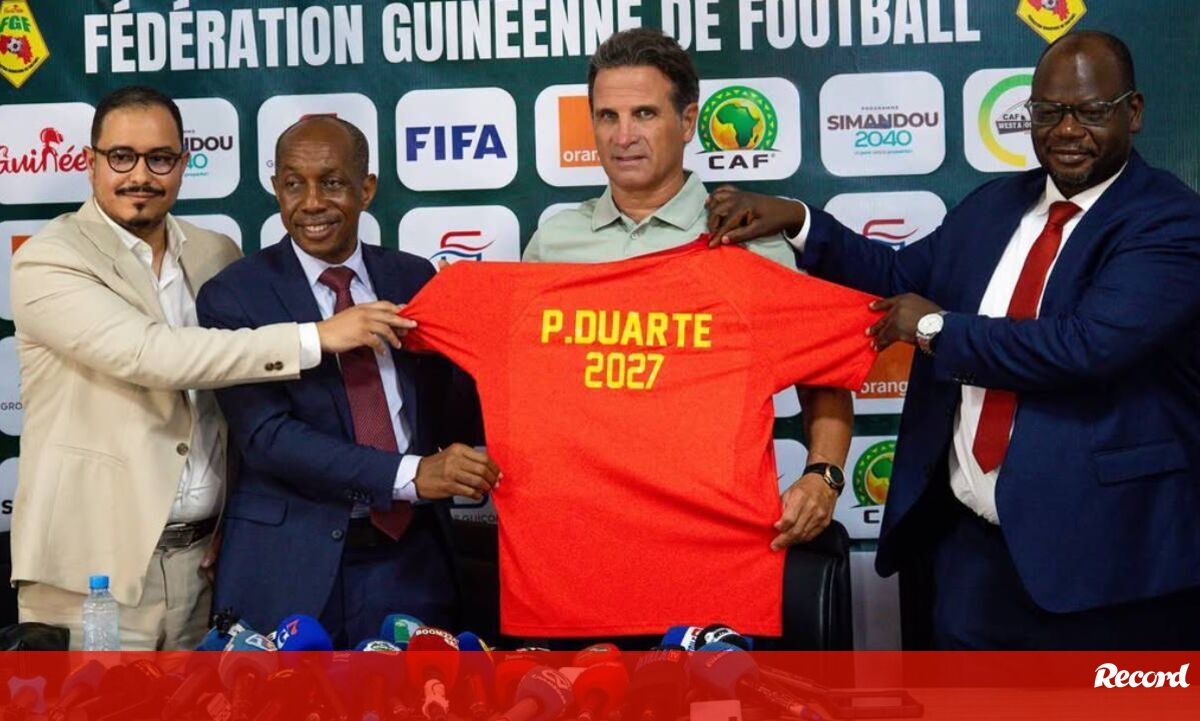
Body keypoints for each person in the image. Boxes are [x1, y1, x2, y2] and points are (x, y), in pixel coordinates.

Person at [706, 31, 1200, 649]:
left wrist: (935, 329)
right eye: (1048, 112)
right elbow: (897, 275)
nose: (1067, 130)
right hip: (970, 553)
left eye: (1090, 111)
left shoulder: (1170, 220)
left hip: (1107, 565)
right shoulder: (996, 205)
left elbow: (1085, 346)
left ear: (1133, 111)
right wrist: (800, 221)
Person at [9, 86, 411, 650]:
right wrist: (317, 336)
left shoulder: (215, 254)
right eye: (121, 157)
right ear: (90, 162)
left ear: (183, 163)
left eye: (160, 158)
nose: (140, 176)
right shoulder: (48, 259)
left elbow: (240, 408)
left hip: (204, 567)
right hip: (94, 577)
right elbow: (151, 355)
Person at [526, 27, 855, 557]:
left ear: (687, 122)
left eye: (644, 114)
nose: (623, 136)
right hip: (582, 531)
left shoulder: (749, 239)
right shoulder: (553, 243)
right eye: (607, 116)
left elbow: (825, 372)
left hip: (715, 534)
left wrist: (824, 475)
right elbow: (526, 385)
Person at [196, 116, 495, 644]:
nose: (311, 202)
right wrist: (410, 474)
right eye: (294, 184)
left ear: (367, 189)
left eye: (332, 182)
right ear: (276, 188)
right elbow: (267, 437)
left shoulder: (414, 277)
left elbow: (449, 408)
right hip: (287, 565)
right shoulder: (234, 295)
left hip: (412, 559)